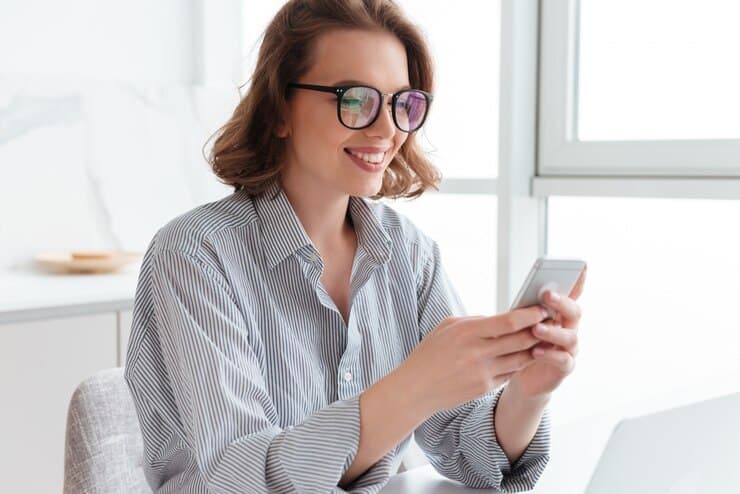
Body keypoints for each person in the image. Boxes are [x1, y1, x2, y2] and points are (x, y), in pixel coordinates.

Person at [124, 0, 586, 492]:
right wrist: (414, 386)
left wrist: (527, 394)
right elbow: (242, 480)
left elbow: (470, 454)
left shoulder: (407, 253)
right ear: (280, 108)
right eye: (355, 99)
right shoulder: (194, 256)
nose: (387, 129)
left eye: (401, 104)